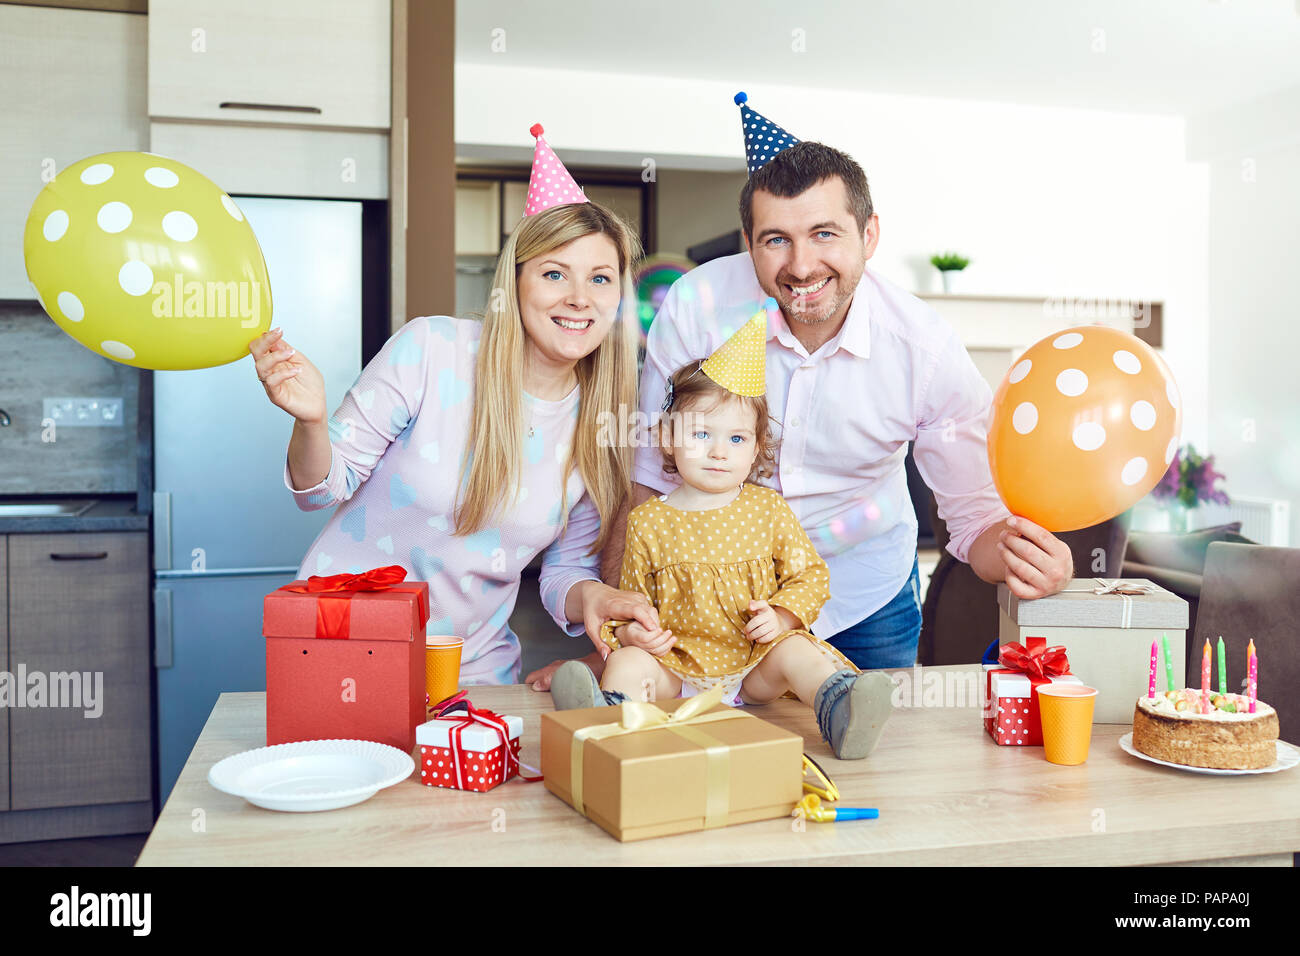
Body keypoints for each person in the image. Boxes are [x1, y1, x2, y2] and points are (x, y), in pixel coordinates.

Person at [526, 92, 1072, 685]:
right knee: (702, 756)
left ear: (870, 234)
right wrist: (616, 634)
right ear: (748, 241)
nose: (802, 264)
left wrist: (1025, 558)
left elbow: (972, 521)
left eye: (824, 234)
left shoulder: (925, 349)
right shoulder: (697, 307)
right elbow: (651, 480)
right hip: (709, 595)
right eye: (776, 239)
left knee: (868, 763)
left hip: (863, 598)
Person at [250, 124, 658, 685]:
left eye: (601, 279)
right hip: (345, 645)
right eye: (555, 273)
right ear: (515, 285)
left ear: (618, 296)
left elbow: (562, 574)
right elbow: (321, 488)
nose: (579, 298)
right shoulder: (432, 349)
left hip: (473, 672)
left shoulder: (602, 420)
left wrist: (595, 598)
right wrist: (313, 422)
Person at [550, 316, 894, 759]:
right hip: (676, 667)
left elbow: (811, 577)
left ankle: (840, 709)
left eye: (736, 437)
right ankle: (608, 722)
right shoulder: (649, 521)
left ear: (756, 448)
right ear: (668, 439)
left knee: (796, 651)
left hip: (753, 665)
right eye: (701, 434)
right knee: (628, 663)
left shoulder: (767, 510)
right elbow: (630, 602)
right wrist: (635, 636)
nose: (718, 450)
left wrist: (784, 616)